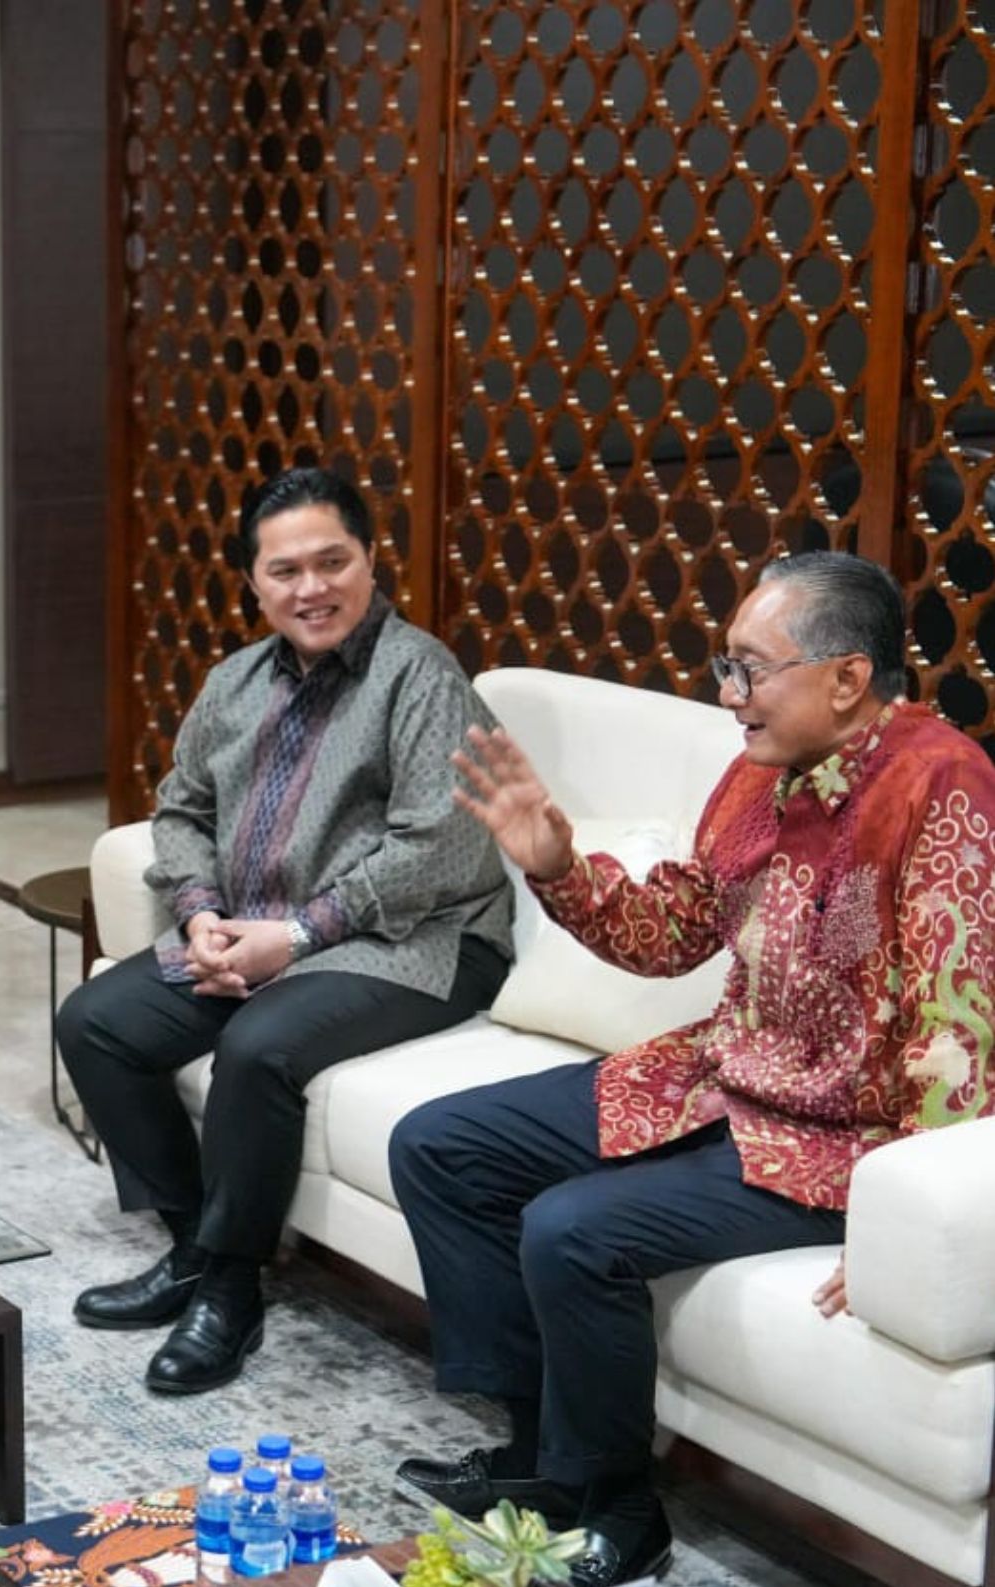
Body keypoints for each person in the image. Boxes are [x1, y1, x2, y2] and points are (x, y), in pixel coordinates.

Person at [390, 551, 995, 1587]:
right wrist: (555, 866)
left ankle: (619, 1509)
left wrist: (902, 1219)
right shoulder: (757, 772)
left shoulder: (940, 786)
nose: (727, 694)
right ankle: (540, 1456)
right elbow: (673, 931)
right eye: (726, 666)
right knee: (440, 1145)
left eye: (749, 669)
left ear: (846, 678)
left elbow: (959, 1034)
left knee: (572, 1230)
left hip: (837, 1137)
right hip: (718, 1077)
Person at [58, 466, 513, 1395]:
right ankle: (193, 1248)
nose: (312, 588)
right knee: (95, 1021)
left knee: (258, 1045)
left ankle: (231, 1290)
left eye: (331, 562)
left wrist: (296, 938)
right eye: (285, 570)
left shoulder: (420, 676)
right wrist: (200, 915)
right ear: (253, 583)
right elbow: (180, 810)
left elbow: (436, 848)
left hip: (419, 942)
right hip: (262, 930)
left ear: (371, 560)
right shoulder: (233, 681)